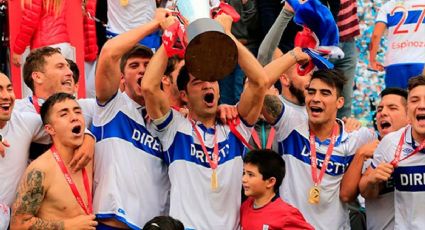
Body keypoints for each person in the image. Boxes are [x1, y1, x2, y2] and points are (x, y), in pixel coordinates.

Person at [142, 12, 310, 229]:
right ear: (184, 95)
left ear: (220, 90)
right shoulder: (174, 128)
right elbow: (148, 86)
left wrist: (226, 36)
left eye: (213, 80)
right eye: (198, 82)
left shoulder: (235, 126)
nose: (208, 86)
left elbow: (259, 81)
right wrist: (169, 39)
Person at [262, 69, 377, 229]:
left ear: (340, 102)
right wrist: (293, 55)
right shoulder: (290, 124)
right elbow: (258, 85)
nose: (316, 98)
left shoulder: (358, 138)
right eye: (311, 92)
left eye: (325, 93)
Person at [91, 9, 170, 229]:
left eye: (148, 65)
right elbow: (109, 52)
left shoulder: (168, 121)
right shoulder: (111, 105)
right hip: (113, 223)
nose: (143, 71)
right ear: (122, 78)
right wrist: (155, 25)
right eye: (134, 66)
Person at [10, 93, 97, 229]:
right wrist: (67, 225)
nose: (74, 117)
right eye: (64, 114)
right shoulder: (40, 170)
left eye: (78, 111)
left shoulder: (91, 157)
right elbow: (18, 225)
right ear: (50, 129)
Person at [359, 75, 425, 229]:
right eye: (414, 100)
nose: (421, 105)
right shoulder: (391, 143)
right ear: (408, 111)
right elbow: (366, 191)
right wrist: (372, 180)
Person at [14, 47, 95, 170]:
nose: (70, 72)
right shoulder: (16, 111)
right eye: (60, 66)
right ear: (38, 77)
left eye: (68, 67)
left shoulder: (85, 107)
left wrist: (90, 138)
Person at [340, 87, 408, 230]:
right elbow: (347, 195)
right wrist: (360, 155)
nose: (383, 113)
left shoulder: (419, 145)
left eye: (392, 108)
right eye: (379, 109)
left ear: (409, 116)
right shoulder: (364, 140)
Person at [0, 72, 48, 228]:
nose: (6, 96)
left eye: (9, 89)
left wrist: (88, 138)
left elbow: (60, 126)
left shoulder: (24, 122)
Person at [240, 149, 313, 229]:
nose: (244, 179)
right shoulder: (245, 206)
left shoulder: (286, 214)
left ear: (270, 182)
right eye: (244, 173)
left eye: (250, 175)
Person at [368, 0, 425, 89]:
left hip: (394, 64)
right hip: (422, 62)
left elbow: (376, 35)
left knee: (395, 99)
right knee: (420, 100)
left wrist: (372, 60)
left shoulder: (387, 6)